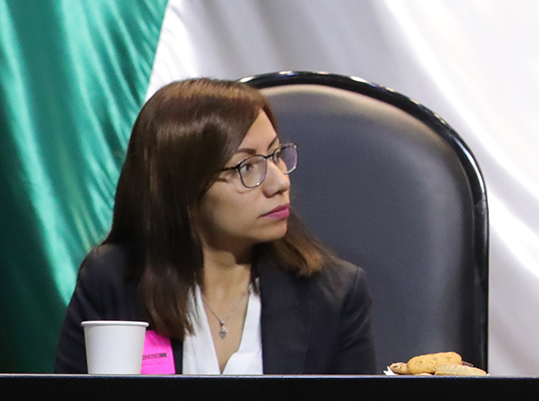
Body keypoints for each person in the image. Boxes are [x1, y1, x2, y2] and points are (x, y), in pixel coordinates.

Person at [54, 78, 376, 374]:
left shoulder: (334, 294)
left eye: (276, 154)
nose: (280, 182)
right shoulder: (112, 280)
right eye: (247, 167)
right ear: (182, 186)